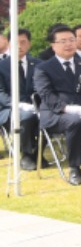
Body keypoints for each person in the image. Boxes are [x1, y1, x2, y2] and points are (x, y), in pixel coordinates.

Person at [33, 24, 81, 184]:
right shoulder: (43, 68)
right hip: (55, 113)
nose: (68, 44)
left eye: (71, 40)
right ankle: (75, 168)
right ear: (53, 45)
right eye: (63, 41)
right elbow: (46, 94)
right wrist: (66, 108)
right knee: (74, 122)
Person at [0, 28, 41, 171]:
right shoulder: (1, 66)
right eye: (15, 42)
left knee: (51, 117)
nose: (19, 46)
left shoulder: (38, 64)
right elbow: (1, 93)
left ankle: (38, 152)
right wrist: (18, 105)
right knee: (26, 117)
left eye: (23, 42)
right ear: (9, 44)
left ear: (29, 44)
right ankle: (27, 154)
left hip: (35, 106)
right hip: (8, 109)